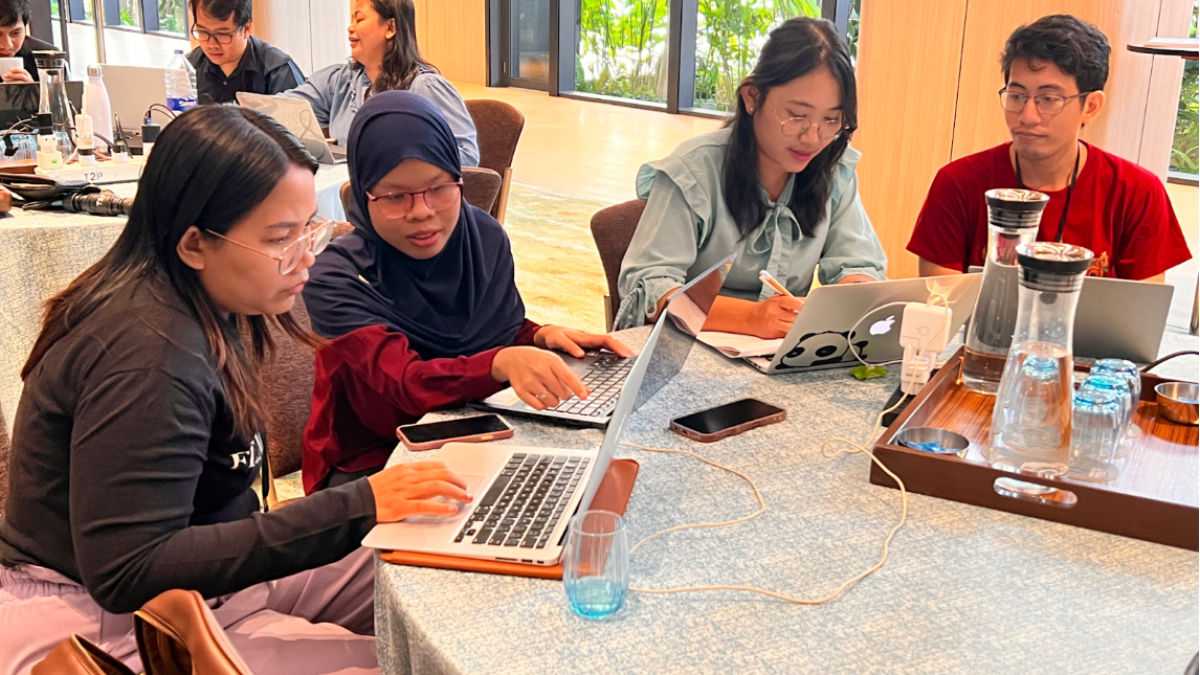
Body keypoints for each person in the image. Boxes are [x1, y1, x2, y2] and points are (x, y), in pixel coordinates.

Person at [0, 105, 473, 675]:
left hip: (208, 578)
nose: (306, 259)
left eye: (309, 229)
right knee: (408, 661)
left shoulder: (203, 299)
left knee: (451, 555)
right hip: (109, 618)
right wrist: (359, 503)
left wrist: (361, 506)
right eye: (281, 239)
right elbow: (129, 569)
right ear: (195, 243)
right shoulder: (149, 357)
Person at [301, 91, 630, 493]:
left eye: (439, 188)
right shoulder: (338, 277)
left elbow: (487, 330)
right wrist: (500, 362)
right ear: (365, 195)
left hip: (479, 430)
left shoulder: (482, 238)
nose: (422, 211)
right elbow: (408, 384)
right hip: (370, 464)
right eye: (394, 196)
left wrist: (537, 335)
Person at [615, 17, 886, 338]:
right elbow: (650, 287)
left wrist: (853, 294)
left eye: (831, 120)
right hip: (684, 350)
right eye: (797, 115)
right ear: (752, 97)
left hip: (774, 355)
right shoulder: (694, 169)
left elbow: (858, 264)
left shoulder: (833, 171)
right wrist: (750, 318)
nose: (813, 138)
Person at [907, 14, 1191, 281]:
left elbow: (1141, 317)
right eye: (1017, 96)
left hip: (1091, 337)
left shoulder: (1136, 191)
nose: (1027, 116)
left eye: (1049, 99)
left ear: (1090, 107)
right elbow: (943, 305)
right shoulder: (958, 183)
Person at [282, 0, 479, 165]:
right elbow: (281, 109)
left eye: (359, 19)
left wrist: (404, 163)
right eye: (351, 19)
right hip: (349, 196)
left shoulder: (424, 87)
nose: (350, 27)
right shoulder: (339, 80)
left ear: (390, 27)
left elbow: (466, 156)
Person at [186, 0, 304, 105]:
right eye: (202, 31)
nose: (211, 44)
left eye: (222, 34)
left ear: (247, 29)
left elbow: (293, 127)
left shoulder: (278, 72)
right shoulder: (191, 65)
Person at [0, 0, 54, 84]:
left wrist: (33, 90)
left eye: (15, 33)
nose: (7, 45)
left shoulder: (46, 58)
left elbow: (59, 95)